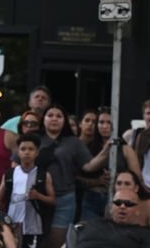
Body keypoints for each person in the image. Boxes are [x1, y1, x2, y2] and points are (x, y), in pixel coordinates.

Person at [40, 105, 107, 246]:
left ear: (65, 120)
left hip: (64, 199)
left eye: (59, 116)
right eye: (50, 115)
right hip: (38, 197)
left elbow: (89, 166)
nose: (54, 119)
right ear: (43, 119)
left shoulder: (73, 142)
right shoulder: (34, 139)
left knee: (57, 242)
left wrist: (107, 149)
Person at [0, 133, 54, 248]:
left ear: (37, 153)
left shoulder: (44, 175)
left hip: (34, 227)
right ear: (18, 152)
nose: (27, 152)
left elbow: (53, 200)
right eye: (23, 149)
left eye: (31, 149)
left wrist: (39, 196)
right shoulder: (9, 174)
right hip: (11, 226)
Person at [73, 188, 150, 248]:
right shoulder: (92, 224)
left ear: (138, 210)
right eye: (118, 203)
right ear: (111, 207)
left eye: (128, 204)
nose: (122, 206)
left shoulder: (144, 234)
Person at [111, 171, 150, 240]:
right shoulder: (112, 206)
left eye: (127, 184)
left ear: (136, 188)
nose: (122, 187)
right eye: (119, 183)